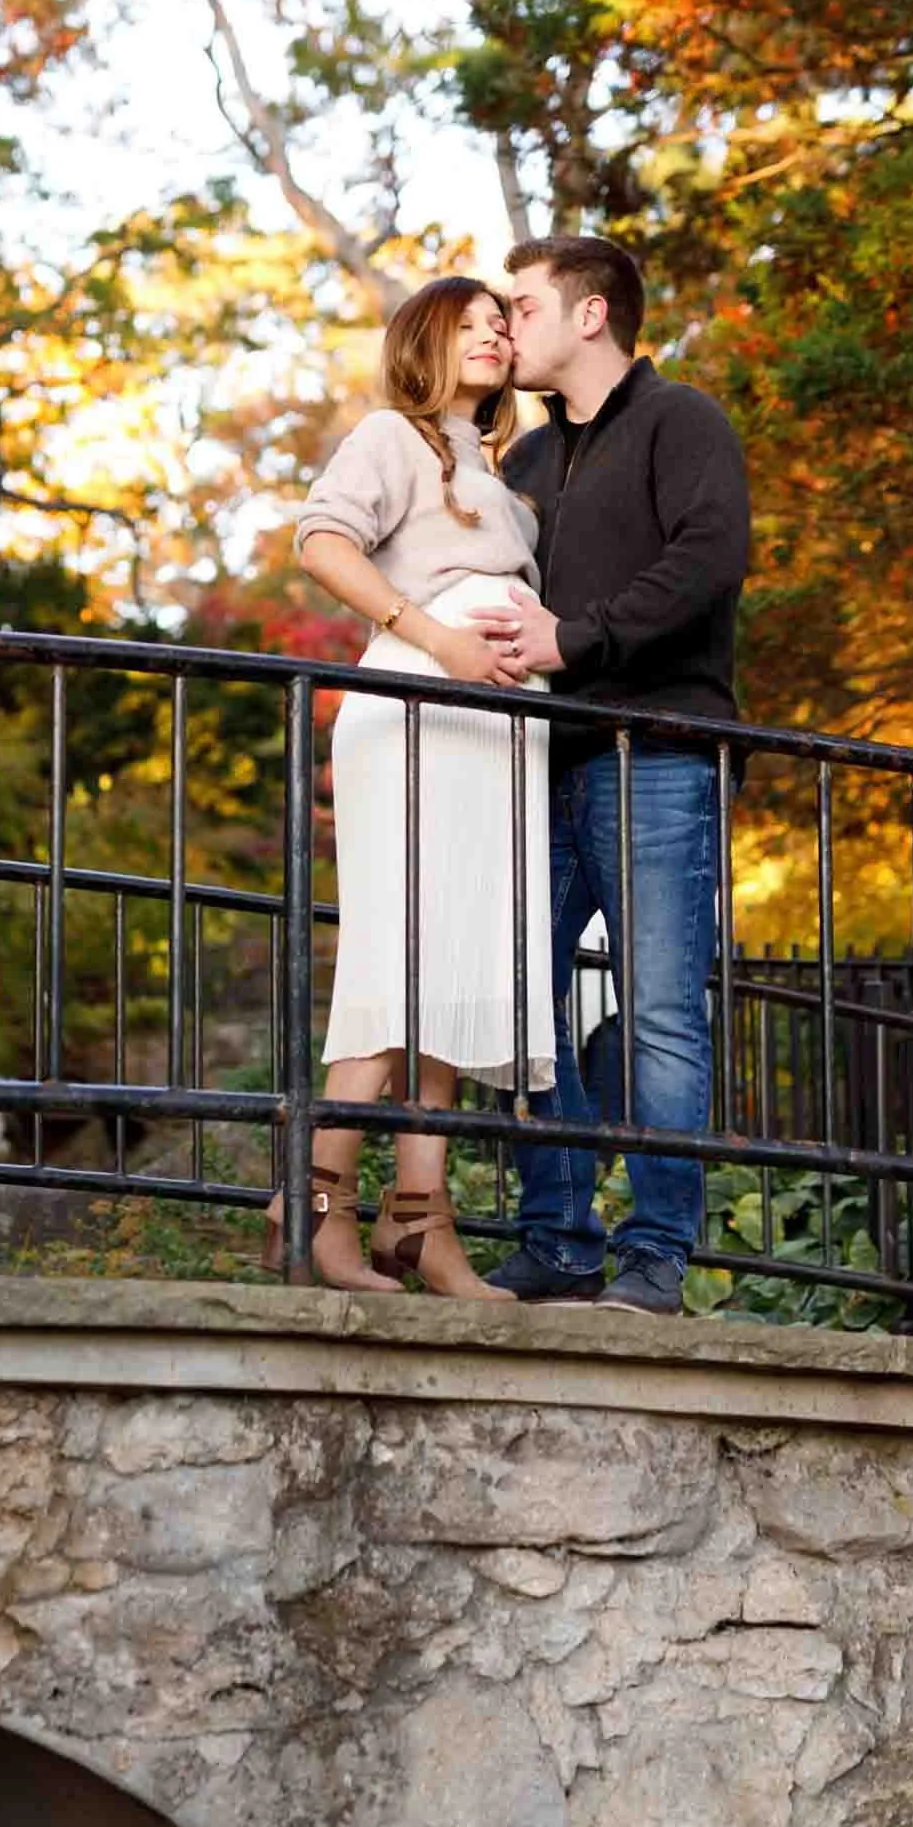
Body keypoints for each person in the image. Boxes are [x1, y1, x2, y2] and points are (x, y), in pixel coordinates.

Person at [469, 235, 751, 1314]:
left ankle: (655, 1256)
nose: (506, 323)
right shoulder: (524, 462)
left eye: (522, 304)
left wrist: (575, 639)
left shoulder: (682, 420)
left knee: (660, 1015)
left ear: (590, 314)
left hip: (658, 755)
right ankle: (560, 1238)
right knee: (514, 1004)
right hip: (540, 763)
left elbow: (707, 557)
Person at [271, 276, 555, 1298]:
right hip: (418, 708)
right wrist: (434, 636)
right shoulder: (389, 437)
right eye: (465, 324)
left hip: (497, 732)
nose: (490, 336)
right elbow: (320, 542)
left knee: (460, 972)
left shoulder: (502, 476)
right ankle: (312, 1203)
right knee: (395, 963)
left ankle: (418, 1218)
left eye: (499, 325)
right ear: (421, 342)